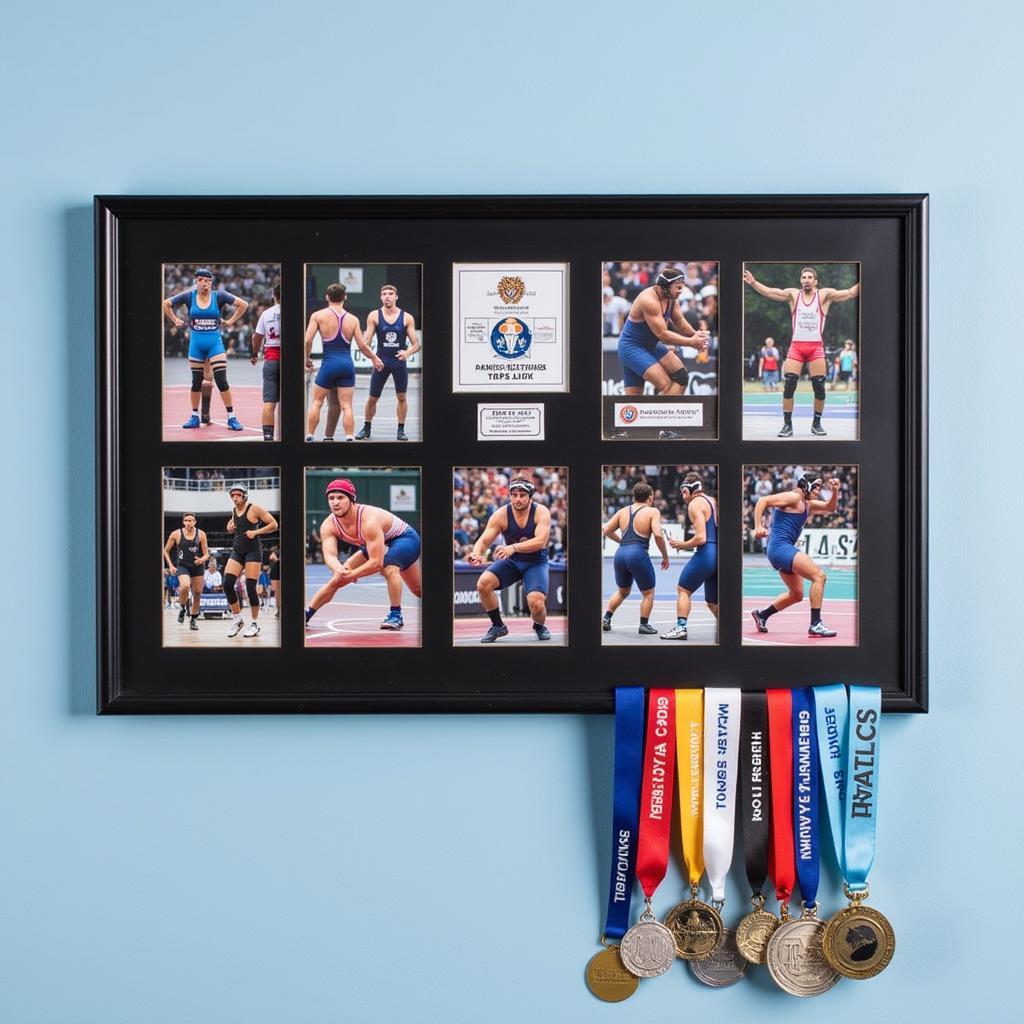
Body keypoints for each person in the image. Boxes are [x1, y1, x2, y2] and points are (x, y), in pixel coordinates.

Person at [742, 266, 859, 436]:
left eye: (810, 277)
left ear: (816, 281)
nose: (807, 280)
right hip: (797, 347)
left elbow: (849, 292)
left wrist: (867, 278)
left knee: (819, 387)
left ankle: (816, 424)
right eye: (804, 277)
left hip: (815, 347)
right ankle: (787, 425)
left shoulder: (824, 295)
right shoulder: (793, 295)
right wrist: (753, 283)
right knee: (789, 385)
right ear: (800, 280)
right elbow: (769, 292)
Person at [304, 478, 422, 630]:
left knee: (390, 568)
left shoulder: (369, 521)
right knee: (337, 578)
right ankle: (307, 613)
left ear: (352, 499)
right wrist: (339, 569)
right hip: (377, 543)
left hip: (404, 539)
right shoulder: (328, 525)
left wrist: (352, 574)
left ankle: (395, 615)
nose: (335, 502)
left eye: (340, 497)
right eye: (331, 498)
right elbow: (330, 556)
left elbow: (376, 563)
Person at [750, 474, 841, 638]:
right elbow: (762, 500)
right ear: (807, 485)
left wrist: (835, 491)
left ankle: (762, 615)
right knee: (819, 577)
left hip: (780, 550)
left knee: (797, 594)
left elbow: (830, 507)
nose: (818, 492)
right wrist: (757, 526)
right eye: (816, 487)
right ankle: (816, 624)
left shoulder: (807, 504)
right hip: (780, 548)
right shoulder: (794, 497)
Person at [467, 477, 552, 643]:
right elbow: (484, 540)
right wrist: (476, 553)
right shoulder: (501, 514)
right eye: (514, 495)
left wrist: (512, 548)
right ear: (510, 496)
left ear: (530, 496)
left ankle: (539, 625)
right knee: (483, 583)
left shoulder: (541, 512)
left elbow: (540, 541)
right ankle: (498, 626)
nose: (518, 499)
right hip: (513, 560)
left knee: (536, 603)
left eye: (522, 495)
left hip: (536, 561)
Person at [163, 268, 249, 431]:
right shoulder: (189, 296)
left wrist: (230, 321)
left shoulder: (219, 296)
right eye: (202, 280)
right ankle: (194, 416)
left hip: (214, 344)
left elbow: (243, 305)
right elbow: (166, 304)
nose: (205, 283)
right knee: (196, 381)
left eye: (208, 281)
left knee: (221, 380)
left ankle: (232, 417)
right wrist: (174, 319)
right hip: (196, 345)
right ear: (196, 281)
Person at [304, 283, 383, 441]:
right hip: (346, 365)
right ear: (345, 297)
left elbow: (307, 340)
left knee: (317, 402)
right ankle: (349, 436)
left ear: (327, 297)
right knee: (346, 405)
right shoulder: (353, 319)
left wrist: (307, 358)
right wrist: (374, 358)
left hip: (329, 363)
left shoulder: (318, 315)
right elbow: (362, 346)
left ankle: (310, 434)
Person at [617, 267, 710, 398]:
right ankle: (656, 416)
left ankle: (660, 414)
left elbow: (680, 321)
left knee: (681, 378)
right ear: (666, 286)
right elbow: (663, 335)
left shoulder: (671, 299)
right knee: (662, 386)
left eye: (681, 287)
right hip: (632, 348)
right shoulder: (649, 300)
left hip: (651, 346)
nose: (680, 291)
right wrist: (691, 342)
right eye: (678, 287)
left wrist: (696, 335)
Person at [602, 482, 669, 635]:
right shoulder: (652, 511)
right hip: (637, 554)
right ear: (650, 497)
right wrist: (665, 555)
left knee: (622, 591)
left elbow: (606, 530)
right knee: (648, 592)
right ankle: (644, 625)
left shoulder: (623, 511)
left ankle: (606, 618)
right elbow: (658, 535)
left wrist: (622, 541)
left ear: (634, 496)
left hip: (620, 554)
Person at [355, 284, 421, 442]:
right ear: (380, 297)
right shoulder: (374, 316)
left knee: (402, 397)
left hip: (398, 362)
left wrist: (407, 352)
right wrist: (372, 357)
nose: (387, 296)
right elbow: (367, 341)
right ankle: (366, 428)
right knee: (372, 398)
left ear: (396, 297)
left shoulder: (406, 317)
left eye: (390, 293)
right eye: (384, 294)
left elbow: (416, 344)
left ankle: (401, 430)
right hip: (381, 362)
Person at [661, 473, 719, 641]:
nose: (682, 495)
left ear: (690, 489)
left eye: (683, 491)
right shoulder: (713, 501)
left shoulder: (695, 504)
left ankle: (681, 628)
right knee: (713, 601)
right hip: (720, 554)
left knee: (683, 590)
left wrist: (681, 545)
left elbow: (701, 537)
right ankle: (730, 629)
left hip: (707, 553)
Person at [224, 483, 278, 638]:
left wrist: (256, 532)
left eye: (238, 495)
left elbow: (274, 524)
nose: (235, 498)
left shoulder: (254, 508)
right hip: (238, 550)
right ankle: (237, 619)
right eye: (233, 495)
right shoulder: (234, 510)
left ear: (244, 495)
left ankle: (254, 624)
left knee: (250, 587)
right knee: (227, 583)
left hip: (253, 552)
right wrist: (230, 526)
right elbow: (235, 524)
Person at [163, 513, 210, 631]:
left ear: (195, 522)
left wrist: (201, 560)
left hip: (197, 566)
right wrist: (171, 566)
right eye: (186, 520)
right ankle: (183, 608)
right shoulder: (176, 534)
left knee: (198, 593)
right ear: (183, 522)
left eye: (191, 520)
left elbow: (206, 554)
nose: (189, 522)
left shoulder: (201, 534)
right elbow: (165, 551)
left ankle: (193, 620)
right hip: (183, 566)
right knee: (185, 587)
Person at [251, 283, 281, 440]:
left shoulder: (267, 314)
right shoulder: (299, 312)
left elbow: (256, 337)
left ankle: (268, 438)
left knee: (269, 403)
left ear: (274, 296)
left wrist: (255, 353)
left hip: (271, 359)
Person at [268, 546, 280, 617]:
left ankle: (279, 610)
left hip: (277, 571)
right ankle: (279, 610)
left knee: (278, 594)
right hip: (275, 572)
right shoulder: (274, 550)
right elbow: (272, 558)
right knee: (277, 594)